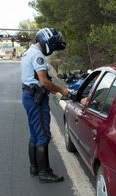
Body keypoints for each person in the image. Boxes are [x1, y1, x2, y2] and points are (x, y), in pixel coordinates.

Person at [21, 28, 71, 183]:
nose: (53, 48)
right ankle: (45, 172)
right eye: (53, 45)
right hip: (36, 98)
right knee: (42, 134)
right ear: (46, 41)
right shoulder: (37, 55)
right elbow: (44, 81)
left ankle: (34, 167)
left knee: (34, 133)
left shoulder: (29, 52)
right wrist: (61, 90)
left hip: (29, 96)